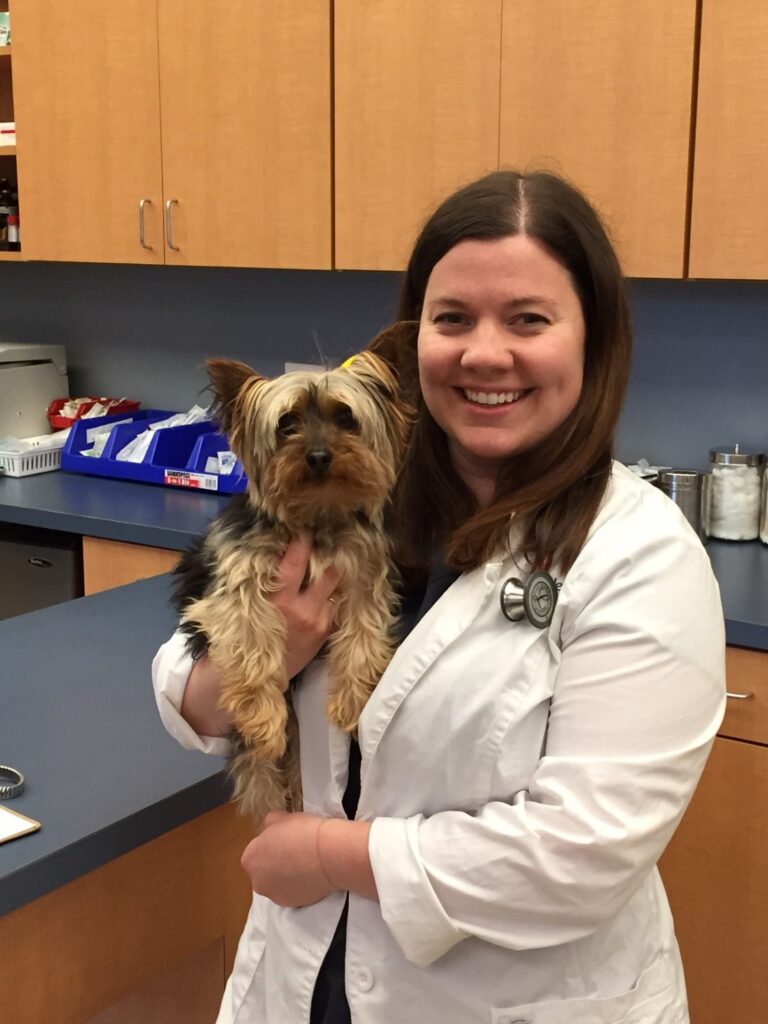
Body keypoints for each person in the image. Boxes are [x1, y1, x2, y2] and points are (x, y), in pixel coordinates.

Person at [152, 169, 725, 1024]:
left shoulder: (642, 554)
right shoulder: (348, 497)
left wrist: (332, 855)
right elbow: (188, 678)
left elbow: (581, 855)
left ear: (592, 339)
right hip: (306, 980)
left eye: (528, 319)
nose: (484, 354)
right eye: (452, 319)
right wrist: (262, 659)